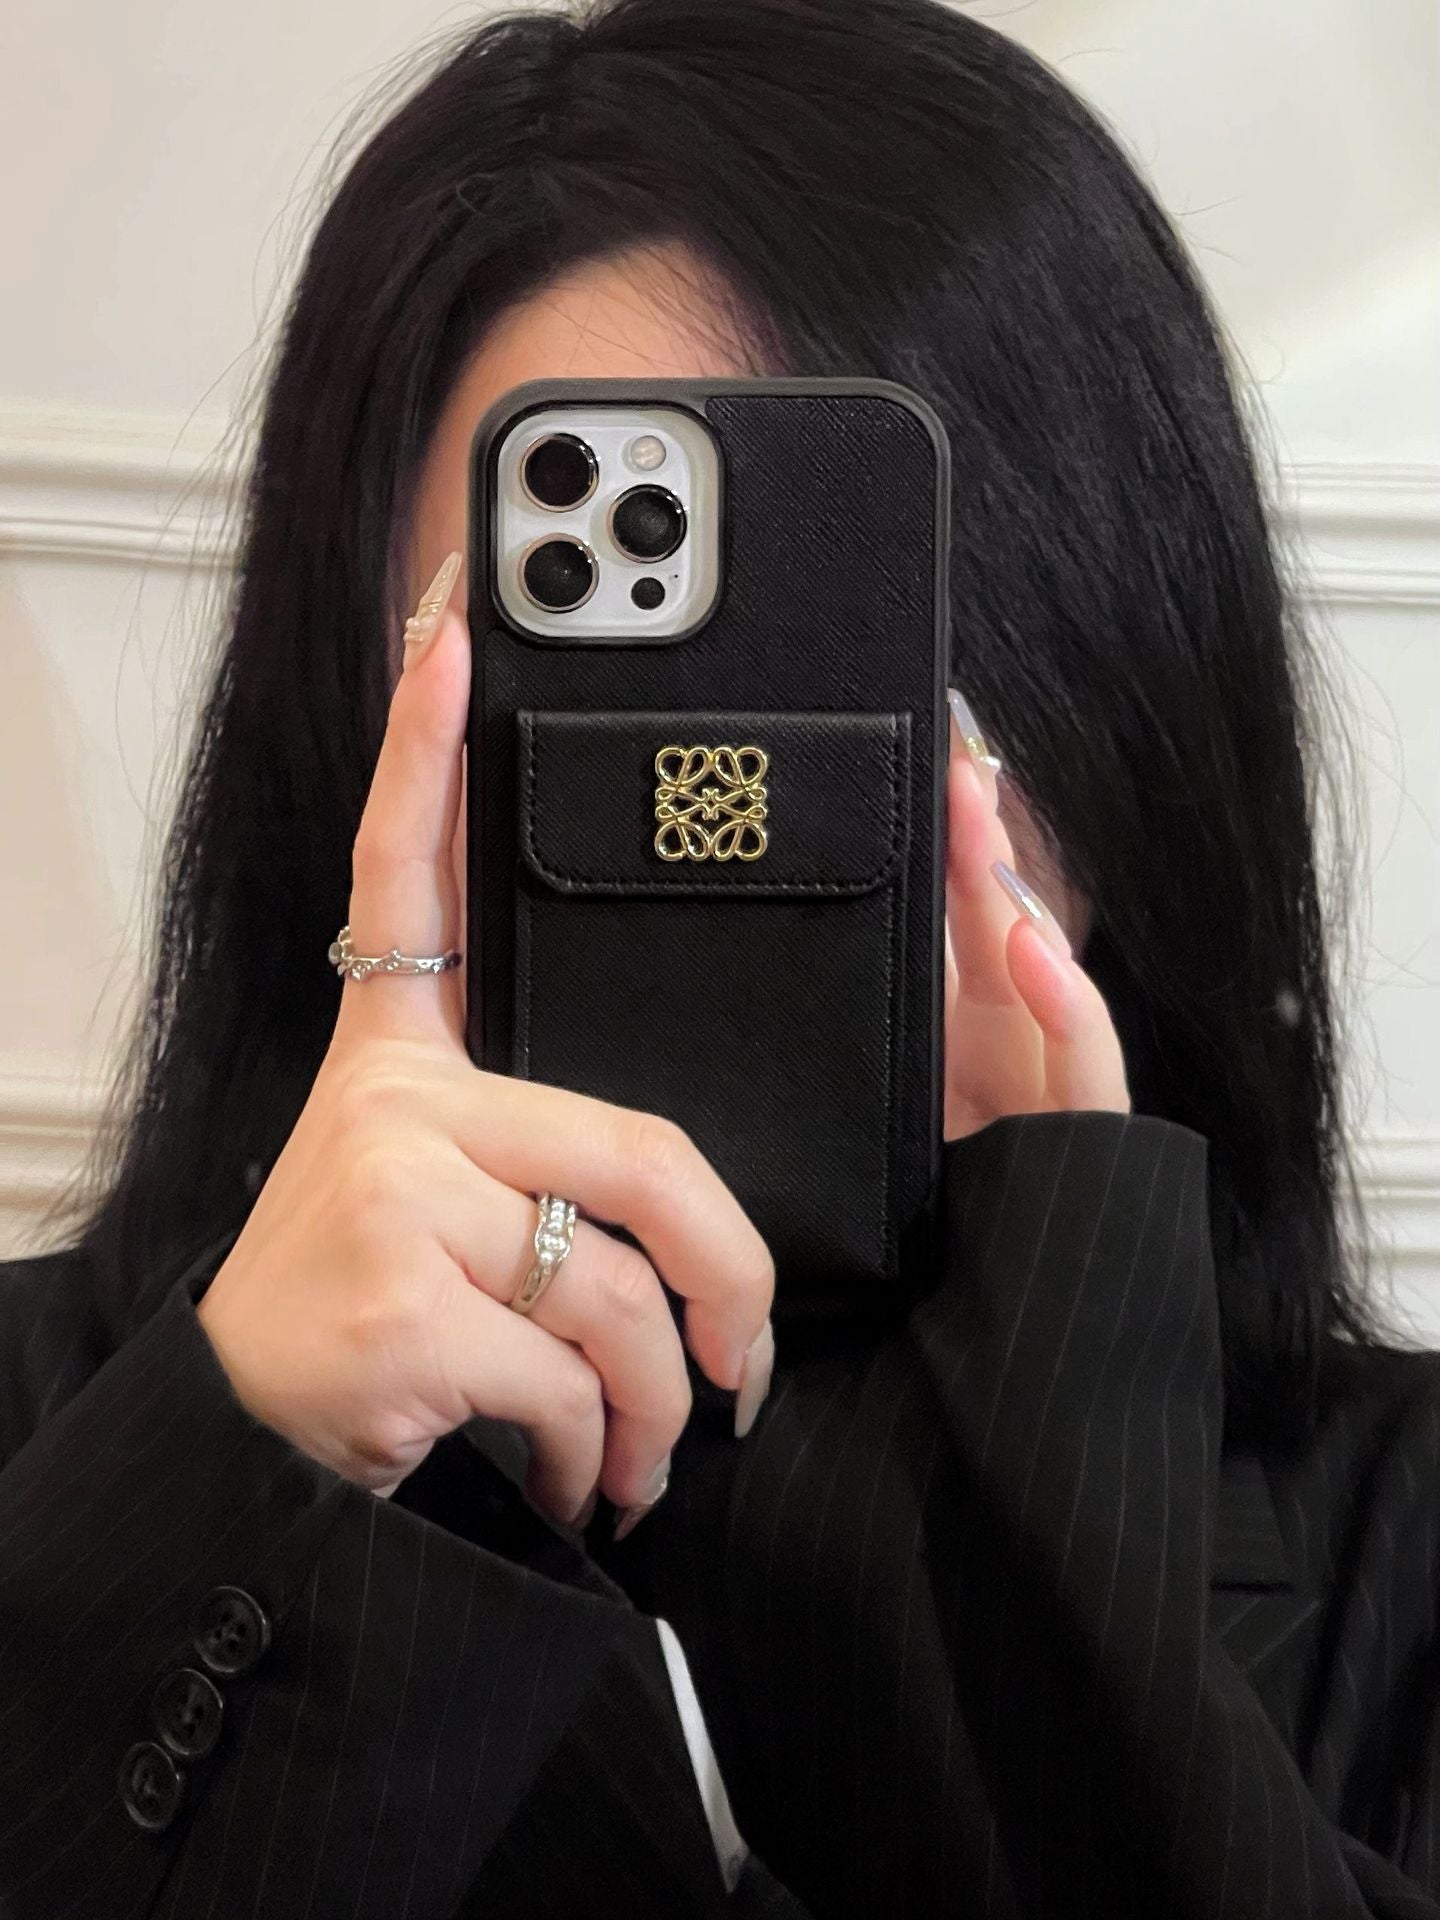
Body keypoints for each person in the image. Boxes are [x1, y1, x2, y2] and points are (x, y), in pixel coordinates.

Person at [3, 0, 1435, 1914]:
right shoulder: (64, 1431)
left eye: (868, 632)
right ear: (357, 713)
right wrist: (232, 1479)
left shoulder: (1406, 1535)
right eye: (609, 662)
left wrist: (1077, 1515)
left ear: (1128, 685)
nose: (752, 798)